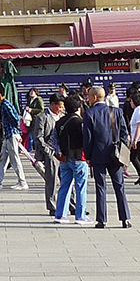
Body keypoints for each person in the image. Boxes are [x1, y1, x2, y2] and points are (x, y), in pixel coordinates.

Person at [82, 86, 130, 229]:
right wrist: (121, 150)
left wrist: (88, 156)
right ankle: (125, 218)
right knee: (119, 186)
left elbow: (88, 138)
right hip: (115, 155)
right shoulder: (116, 111)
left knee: (100, 187)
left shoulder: (89, 114)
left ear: (95, 97)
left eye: (89, 97)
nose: (88, 99)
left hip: (97, 155)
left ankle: (101, 220)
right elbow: (124, 133)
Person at [52, 94, 88, 225]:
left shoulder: (59, 122)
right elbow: (86, 140)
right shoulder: (80, 122)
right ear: (78, 107)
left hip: (64, 158)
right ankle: (81, 215)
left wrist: (59, 152)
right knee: (80, 187)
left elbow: (53, 139)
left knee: (64, 186)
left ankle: (60, 214)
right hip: (79, 157)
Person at [0, 85, 29, 190]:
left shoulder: (6, 105)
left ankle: (22, 182)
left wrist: (18, 132)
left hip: (12, 135)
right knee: (3, 158)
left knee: (14, 159)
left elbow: (16, 118)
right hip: (7, 135)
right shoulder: (2, 105)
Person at [33, 92, 64, 213]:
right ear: (52, 104)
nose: (60, 109)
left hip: (63, 152)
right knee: (51, 180)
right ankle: (52, 205)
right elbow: (38, 137)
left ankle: (71, 204)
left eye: (62, 107)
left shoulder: (63, 116)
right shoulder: (42, 117)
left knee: (67, 179)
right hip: (50, 152)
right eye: (59, 106)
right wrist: (48, 151)